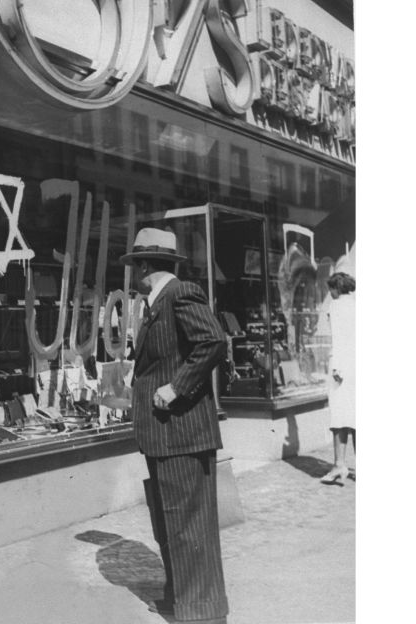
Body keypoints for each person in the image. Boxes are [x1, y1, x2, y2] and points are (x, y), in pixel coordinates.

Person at [120, 227, 230, 624]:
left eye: (136, 265)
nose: (135, 273)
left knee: (189, 524)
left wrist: (176, 387)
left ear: (145, 266)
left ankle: (201, 612)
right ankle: (182, 598)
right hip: (165, 433)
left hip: (181, 430)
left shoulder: (179, 293)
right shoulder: (157, 301)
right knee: (170, 522)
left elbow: (213, 342)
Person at [321, 254, 356, 484]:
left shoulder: (336, 307)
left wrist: (336, 367)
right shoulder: (358, 305)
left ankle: (338, 465)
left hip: (342, 370)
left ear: (335, 289)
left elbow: (339, 340)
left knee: (338, 419)